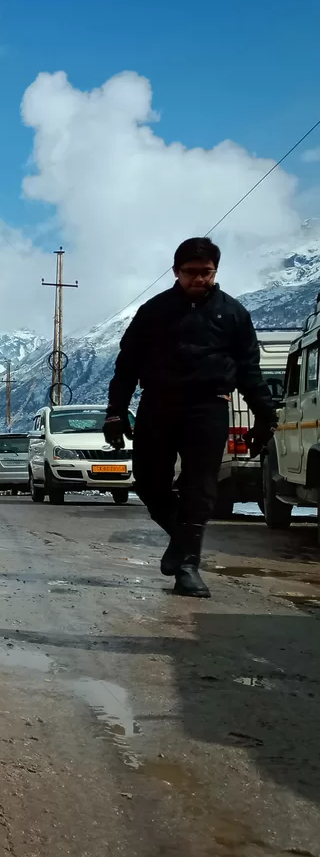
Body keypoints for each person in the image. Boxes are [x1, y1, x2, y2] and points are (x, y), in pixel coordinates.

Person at [104, 237, 276, 598]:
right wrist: (116, 412)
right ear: (176, 271)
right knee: (149, 482)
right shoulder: (154, 311)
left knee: (200, 486)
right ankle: (182, 542)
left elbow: (250, 371)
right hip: (158, 405)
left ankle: (188, 567)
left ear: (216, 271)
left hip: (208, 406)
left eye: (206, 272)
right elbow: (127, 365)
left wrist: (265, 416)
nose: (199, 279)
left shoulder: (233, 314)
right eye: (191, 272)